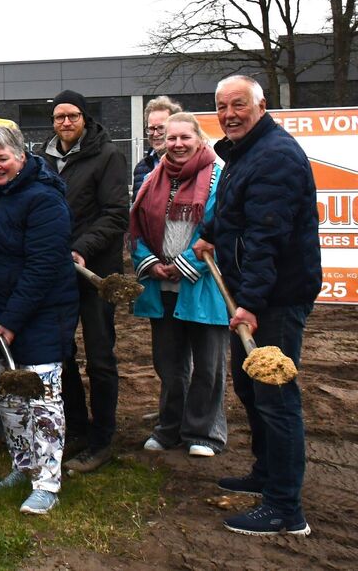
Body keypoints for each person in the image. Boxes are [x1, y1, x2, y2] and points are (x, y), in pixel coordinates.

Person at [193, 75, 320, 537]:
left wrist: (250, 304)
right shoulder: (246, 153)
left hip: (275, 299)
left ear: (261, 105)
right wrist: (209, 231)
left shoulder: (275, 158)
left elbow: (267, 237)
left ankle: (286, 509)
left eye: (239, 105)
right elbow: (232, 209)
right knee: (251, 390)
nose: (229, 114)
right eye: (222, 106)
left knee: (276, 396)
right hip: (256, 292)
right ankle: (266, 474)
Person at [0, 125, 78, 515]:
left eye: (2, 159)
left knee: (43, 401)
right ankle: (22, 466)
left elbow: (44, 266)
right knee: (9, 398)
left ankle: (47, 483)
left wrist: (12, 321)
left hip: (40, 316)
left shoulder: (44, 199)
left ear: (21, 156)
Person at [41, 90, 129, 474]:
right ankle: (76, 426)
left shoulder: (107, 155)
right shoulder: (45, 159)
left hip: (95, 272)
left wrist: (81, 248)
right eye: (59, 117)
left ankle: (102, 439)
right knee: (61, 353)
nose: (65, 122)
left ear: (84, 118)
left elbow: (115, 214)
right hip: (58, 272)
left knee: (99, 356)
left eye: (72, 116)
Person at [131, 113, 229, 458]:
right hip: (162, 287)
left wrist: (185, 264)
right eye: (171, 138)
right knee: (169, 365)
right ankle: (169, 428)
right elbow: (138, 227)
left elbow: (219, 227)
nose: (177, 144)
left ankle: (204, 434)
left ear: (199, 138)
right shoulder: (151, 179)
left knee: (208, 365)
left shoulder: (219, 176)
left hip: (204, 285)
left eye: (185, 137)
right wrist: (151, 263)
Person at [132, 96, 183, 202]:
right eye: (151, 128)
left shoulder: (190, 164)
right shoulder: (141, 168)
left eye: (161, 128)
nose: (155, 134)